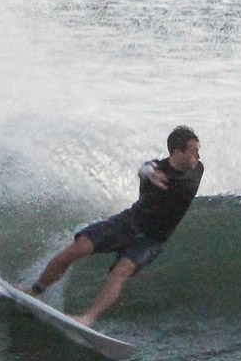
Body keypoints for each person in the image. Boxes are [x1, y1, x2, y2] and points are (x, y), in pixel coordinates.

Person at [21, 125, 203, 328]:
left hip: (153, 238)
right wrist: (147, 172)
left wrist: (148, 172)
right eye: (193, 151)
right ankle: (34, 291)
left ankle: (88, 318)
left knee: (121, 271)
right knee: (78, 247)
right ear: (177, 151)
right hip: (129, 222)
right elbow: (146, 167)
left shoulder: (195, 172)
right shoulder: (156, 169)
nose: (198, 156)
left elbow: (160, 175)